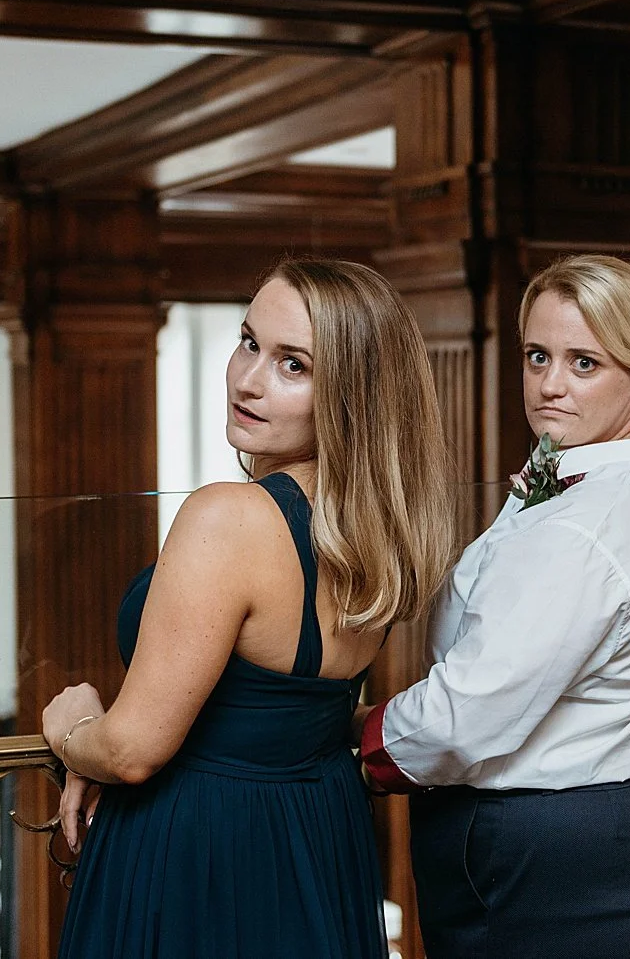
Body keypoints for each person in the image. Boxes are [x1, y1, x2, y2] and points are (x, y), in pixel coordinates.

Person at [359, 254, 630, 959]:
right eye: (538, 355)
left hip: (542, 858)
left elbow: (463, 719)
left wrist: (346, 745)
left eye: (585, 363)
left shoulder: (582, 532)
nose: (550, 385)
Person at [41, 259, 457, 959]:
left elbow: (133, 750)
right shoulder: (377, 535)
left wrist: (75, 725)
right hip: (316, 835)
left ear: (352, 397)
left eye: (293, 365)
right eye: (248, 342)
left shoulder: (228, 517)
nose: (247, 378)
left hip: (199, 846)